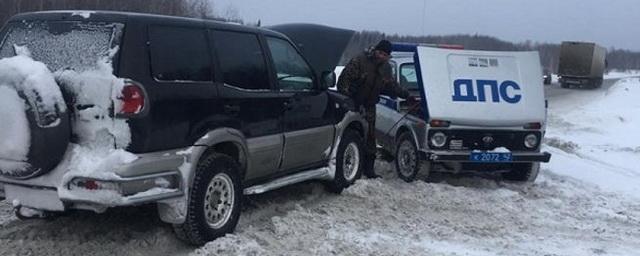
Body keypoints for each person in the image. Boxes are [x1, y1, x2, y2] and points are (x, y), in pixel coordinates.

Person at [337, 40, 410, 178]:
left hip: (370, 106)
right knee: (350, 134)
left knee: (370, 137)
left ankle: (368, 170)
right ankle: (346, 166)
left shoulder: (386, 68)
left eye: (385, 55)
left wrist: (406, 95)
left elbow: (392, 86)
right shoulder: (359, 61)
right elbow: (343, 81)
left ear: (388, 57)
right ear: (375, 50)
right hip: (352, 104)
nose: (381, 56)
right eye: (380, 53)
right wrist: (348, 99)